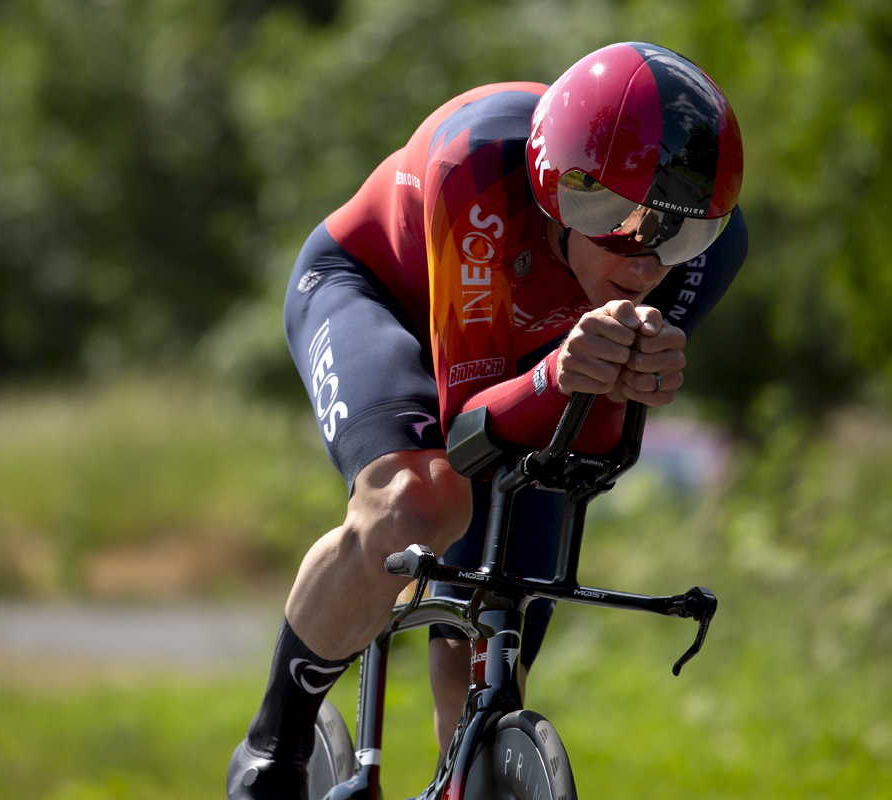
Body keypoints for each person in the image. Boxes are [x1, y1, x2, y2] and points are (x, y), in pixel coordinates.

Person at [228, 41, 747, 800]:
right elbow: (467, 425)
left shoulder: (710, 247)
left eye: (679, 234)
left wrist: (629, 383)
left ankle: (465, 771)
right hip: (380, 298)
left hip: (529, 364)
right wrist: (560, 375)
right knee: (417, 501)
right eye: (614, 220)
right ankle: (274, 744)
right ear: (556, 185)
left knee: (497, 621)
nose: (645, 263)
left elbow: (591, 455)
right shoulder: (479, 165)